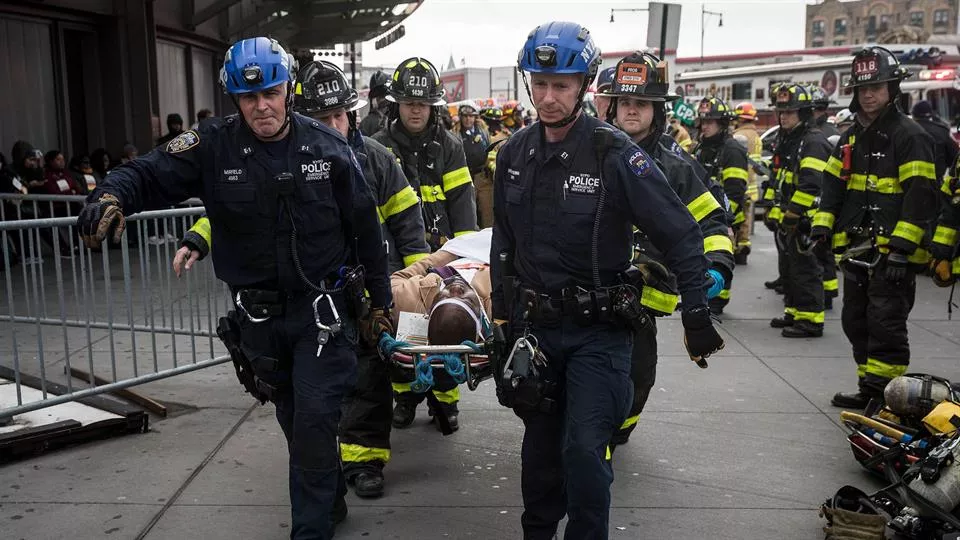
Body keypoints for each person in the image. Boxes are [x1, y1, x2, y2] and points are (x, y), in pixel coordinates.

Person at [77, 37, 393, 539]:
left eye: (270, 92)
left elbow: (367, 233)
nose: (261, 105)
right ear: (234, 98)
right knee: (295, 420)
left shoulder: (327, 147)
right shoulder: (211, 145)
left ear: (288, 89)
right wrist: (109, 195)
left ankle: (310, 530)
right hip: (261, 323)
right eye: (249, 98)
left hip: (322, 316)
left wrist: (381, 305)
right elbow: (147, 172)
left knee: (313, 420)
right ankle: (329, 502)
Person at [491, 22, 724, 539]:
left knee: (584, 449)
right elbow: (503, 247)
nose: (548, 97)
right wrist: (501, 321)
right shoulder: (514, 154)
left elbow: (684, 232)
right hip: (538, 333)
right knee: (539, 453)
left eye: (562, 86)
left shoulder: (615, 153)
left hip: (602, 334)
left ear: (585, 86)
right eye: (540, 84)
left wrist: (696, 314)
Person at [602, 51, 734, 449]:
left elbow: (711, 222)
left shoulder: (677, 166)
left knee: (639, 372)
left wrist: (716, 267)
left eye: (641, 104)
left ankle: (620, 428)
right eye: (625, 102)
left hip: (643, 297)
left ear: (657, 111)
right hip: (587, 288)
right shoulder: (591, 153)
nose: (631, 111)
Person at [810, 46, 938, 410]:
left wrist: (902, 248)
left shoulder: (910, 136)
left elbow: (922, 196)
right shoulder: (852, 137)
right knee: (856, 321)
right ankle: (869, 388)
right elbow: (832, 187)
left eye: (877, 87)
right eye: (863, 88)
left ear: (893, 88)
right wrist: (822, 229)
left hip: (891, 254)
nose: (868, 94)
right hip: (857, 249)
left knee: (886, 325)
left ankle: (887, 398)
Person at [371, 57, 478, 428]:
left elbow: (463, 204)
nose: (415, 110)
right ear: (396, 103)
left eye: (422, 103)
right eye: (409, 102)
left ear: (432, 105)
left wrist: (465, 260)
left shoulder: (450, 146)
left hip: (442, 257)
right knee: (406, 331)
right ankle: (408, 396)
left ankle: (445, 401)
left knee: (445, 329)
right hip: (397, 258)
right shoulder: (378, 147)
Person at [765, 83, 832, 338]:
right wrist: (774, 211)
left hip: (805, 221)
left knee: (805, 270)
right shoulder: (789, 140)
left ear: (803, 113)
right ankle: (794, 312)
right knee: (792, 269)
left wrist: (793, 213)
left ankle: (811, 321)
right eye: (781, 112)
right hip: (789, 219)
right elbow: (778, 178)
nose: (783, 117)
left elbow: (812, 184)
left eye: (790, 113)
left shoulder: (812, 142)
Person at [693, 96, 749, 313]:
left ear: (723, 123)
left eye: (710, 122)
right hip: (703, 214)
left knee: (719, 257)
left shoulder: (732, 149)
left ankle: (717, 300)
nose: (704, 126)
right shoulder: (702, 147)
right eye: (703, 121)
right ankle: (705, 296)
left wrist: (725, 221)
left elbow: (735, 191)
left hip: (725, 216)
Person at [732, 101, 762, 263]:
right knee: (746, 219)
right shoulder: (756, 136)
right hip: (751, 185)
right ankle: (744, 245)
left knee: (737, 218)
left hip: (740, 183)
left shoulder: (738, 136)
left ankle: (738, 251)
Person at [912, 100, 958, 182]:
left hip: (909, 185)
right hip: (936, 183)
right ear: (931, 114)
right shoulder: (942, 131)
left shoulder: (905, 131)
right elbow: (954, 158)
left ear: (914, 115)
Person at [359, 70, 390, 137]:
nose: (382, 100)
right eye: (379, 96)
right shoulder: (367, 123)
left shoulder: (400, 121)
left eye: (384, 96)